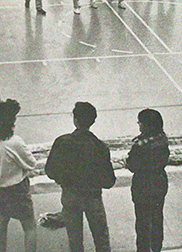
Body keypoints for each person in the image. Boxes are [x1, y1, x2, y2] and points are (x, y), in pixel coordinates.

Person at [45, 102, 116, 252]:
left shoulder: (62, 142)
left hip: (70, 195)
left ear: (75, 120)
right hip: (93, 197)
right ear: (93, 121)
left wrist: (63, 179)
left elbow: (50, 170)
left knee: (75, 241)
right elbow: (109, 181)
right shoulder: (100, 147)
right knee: (101, 239)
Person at [0, 99, 37, 252]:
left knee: (2, 220)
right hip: (16, 189)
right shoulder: (15, 142)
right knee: (29, 226)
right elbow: (31, 163)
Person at [126, 109, 170, 252]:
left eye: (140, 122)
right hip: (159, 183)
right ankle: (157, 248)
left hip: (142, 185)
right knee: (157, 218)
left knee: (142, 222)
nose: (139, 125)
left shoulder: (139, 145)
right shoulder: (163, 140)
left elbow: (132, 165)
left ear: (145, 125)